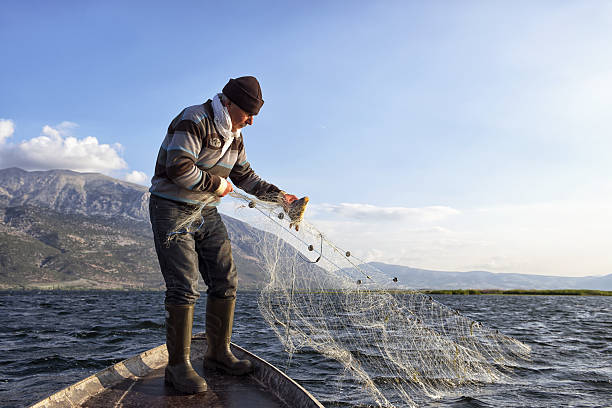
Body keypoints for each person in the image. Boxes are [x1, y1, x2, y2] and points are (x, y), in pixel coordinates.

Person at [148, 76, 298, 394]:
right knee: (184, 286)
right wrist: (216, 185)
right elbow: (178, 167)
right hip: (171, 209)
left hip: (206, 211)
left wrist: (282, 199)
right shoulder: (195, 119)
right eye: (248, 114)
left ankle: (217, 354)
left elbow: (244, 176)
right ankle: (177, 368)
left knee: (225, 279)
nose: (252, 121)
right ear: (228, 104)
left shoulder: (235, 135)